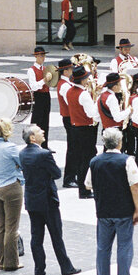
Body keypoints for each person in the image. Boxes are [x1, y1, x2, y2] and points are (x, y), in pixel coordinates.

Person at [84, 127, 138, 275]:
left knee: (103, 247)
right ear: (119, 142)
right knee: (124, 246)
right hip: (123, 210)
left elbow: (88, 184)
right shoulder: (127, 160)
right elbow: (135, 186)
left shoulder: (95, 161)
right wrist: (137, 209)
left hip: (103, 209)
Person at [19, 124, 80, 275]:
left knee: (36, 236)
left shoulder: (22, 153)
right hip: (47, 200)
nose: (43, 132)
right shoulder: (44, 154)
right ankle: (66, 266)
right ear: (32, 137)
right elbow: (57, 173)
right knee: (56, 235)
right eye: (40, 131)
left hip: (32, 199)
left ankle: (39, 268)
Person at [0, 118, 24, 271]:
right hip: (10, 187)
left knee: (0, 225)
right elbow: (21, 163)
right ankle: (11, 262)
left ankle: (0, 260)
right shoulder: (11, 147)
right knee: (12, 227)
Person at [67, 65, 100, 199]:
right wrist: (98, 99)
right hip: (86, 128)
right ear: (82, 80)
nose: (88, 80)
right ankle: (84, 189)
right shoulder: (84, 94)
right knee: (86, 159)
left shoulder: (70, 91)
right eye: (86, 78)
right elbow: (91, 113)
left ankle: (83, 187)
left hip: (75, 127)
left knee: (80, 158)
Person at [56, 58, 78, 188]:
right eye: (71, 69)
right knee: (73, 148)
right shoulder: (64, 85)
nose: (72, 71)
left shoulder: (67, 83)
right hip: (70, 118)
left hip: (71, 117)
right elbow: (71, 102)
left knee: (75, 147)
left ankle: (72, 176)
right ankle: (69, 178)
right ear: (65, 71)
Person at [98, 73, 133, 153]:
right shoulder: (112, 98)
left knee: (107, 153)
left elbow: (97, 115)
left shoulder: (102, 95)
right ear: (114, 87)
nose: (121, 87)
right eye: (120, 84)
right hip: (115, 130)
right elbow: (117, 117)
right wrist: (128, 110)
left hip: (106, 128)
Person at [28, 47, 52, 149]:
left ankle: (44, 145)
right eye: (41, 56)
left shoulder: (46, 69)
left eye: (44, 56)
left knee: (45, 121)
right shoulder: (31, 70)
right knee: (36, 121)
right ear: (36, 56)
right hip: (38, 96)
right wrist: (44, 80)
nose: (43, 58)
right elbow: (33, 86)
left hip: (46, 95)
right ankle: (33, 145)